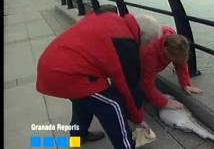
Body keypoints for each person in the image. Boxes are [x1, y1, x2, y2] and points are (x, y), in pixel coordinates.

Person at [36, 12, 160, 149]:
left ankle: (78, 136)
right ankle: (125, 146)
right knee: (112, 105)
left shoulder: (112, 19)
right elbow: (129, 86)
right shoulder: (125, 42)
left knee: (84, 101)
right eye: (148, 43)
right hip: (67, 73)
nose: (146, 47)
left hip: (53, 65)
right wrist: (138, 118)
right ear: (142, 36)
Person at [140, 26, 202, 110]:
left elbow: (181, 63)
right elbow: (146, 83)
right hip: (134, 63)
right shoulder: (149, 53)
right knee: (139, 93)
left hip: (152, 59)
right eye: (173, 59)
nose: (176, 62)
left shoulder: (176, 42)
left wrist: (186, 84)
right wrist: (164, 103)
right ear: (165, 51)